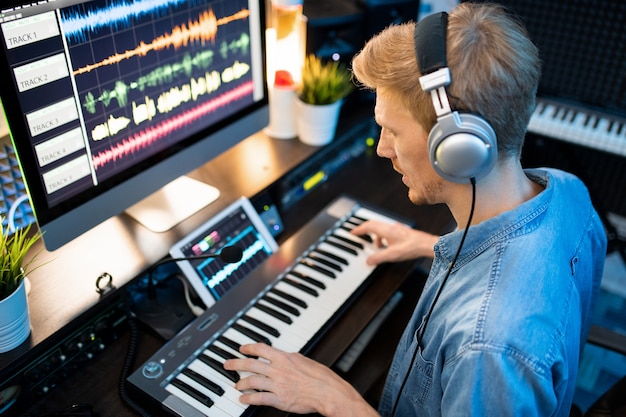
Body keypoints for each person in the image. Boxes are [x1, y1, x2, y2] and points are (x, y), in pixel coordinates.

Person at [224, 2, 607, 416]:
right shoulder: (567, 190)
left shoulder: (487, 350)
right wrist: (427, 244)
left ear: (458, 150)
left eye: (392, 130)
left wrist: (339, 400)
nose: (383, 148)